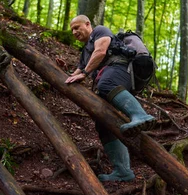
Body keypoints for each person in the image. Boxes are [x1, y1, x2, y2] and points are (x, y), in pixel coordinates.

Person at [65, 15, 155, 181]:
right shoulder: (85, 51)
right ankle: (122, 171)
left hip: (120, 69)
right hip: (108, 77)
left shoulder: (100, 31)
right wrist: (67, 72)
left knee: (105, 84)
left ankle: (140, 115)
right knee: (103, 123)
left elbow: (100, 51)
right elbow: (77, 72)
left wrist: (84, 73)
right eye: (72, 29)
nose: (74, 32)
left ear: (88, 24)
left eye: (77, 27)